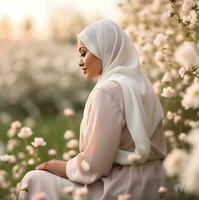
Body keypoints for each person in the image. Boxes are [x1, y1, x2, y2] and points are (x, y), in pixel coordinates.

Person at [18, 19, 176, 200]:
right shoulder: (141, 86)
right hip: (159, 183)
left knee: (34, 180)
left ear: (105, 49)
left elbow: (95, 165)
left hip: (123, 187)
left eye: (84, 53)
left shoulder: (107, 91)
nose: (80, 62)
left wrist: (65, 167)